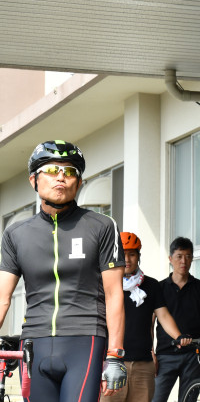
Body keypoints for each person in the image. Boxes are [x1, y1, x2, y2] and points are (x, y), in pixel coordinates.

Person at [0, 140, 127, 401]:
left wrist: (115, 354)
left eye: (70, 172)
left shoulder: (102, 226)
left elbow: (114, 294)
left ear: (79, 182)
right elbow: (2, 299)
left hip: (85, 340)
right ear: (33, 179)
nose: (61, 177)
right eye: (51, 170)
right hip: (34, 342)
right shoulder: (15, 233)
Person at [101, 232, 191, 402]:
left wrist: (178, 336)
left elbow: (163, 315)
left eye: (132, 254)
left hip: (143, 365)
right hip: (112, 364)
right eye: (123, 254)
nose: (127, 259)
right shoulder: (105, 283)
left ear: (138, 257)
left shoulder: (151, 285)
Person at [152, 237, 200, 402]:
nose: (183, 261)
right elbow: (149, 324)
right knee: (155, 398)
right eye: (179, 256)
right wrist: (151, 353)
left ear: (192, 258)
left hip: (193, 356)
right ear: (170, 258)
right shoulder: (158, 288)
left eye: (188, 256)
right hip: (165, 355)